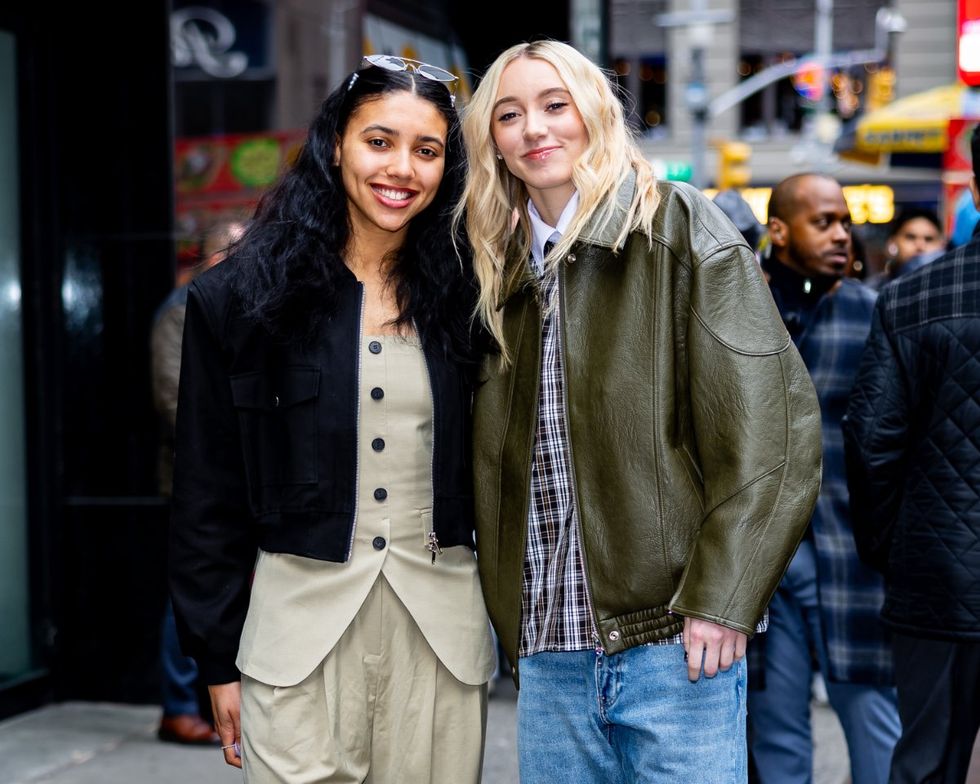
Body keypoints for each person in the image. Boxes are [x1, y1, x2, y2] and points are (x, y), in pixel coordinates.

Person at [453, 39, 822, 782]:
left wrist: (723, 598)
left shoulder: (678, 228)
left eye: (555, 106)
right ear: (489, 139)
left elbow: (775, 430)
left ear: (594, 113)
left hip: (674, 641)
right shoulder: (494, 270)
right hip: (547, 648)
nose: (535, 128)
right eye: (510, 114)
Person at [169, 57, 495, 783]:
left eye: (427, 150)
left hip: (440, 638)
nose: (401, 168)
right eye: (379, 141)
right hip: (293, 640)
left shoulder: (476, 296)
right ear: (335, 144)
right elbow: (205, 492)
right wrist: (216, 658)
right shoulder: (240, 298)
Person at [749, 172, 901, 784]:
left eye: (845, 222)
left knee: (874, 723)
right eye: (824, 222)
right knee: (773, 728)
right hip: (763, 559)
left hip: (852, 552)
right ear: (779, 231)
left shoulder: (876, 310)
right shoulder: (738, 307)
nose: (844, 235)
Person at [842, 124, 980, 784]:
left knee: (926, 763)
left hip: (937, 581)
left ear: (975, 189)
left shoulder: (910, 297)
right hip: (933, 574)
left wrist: (892, 550)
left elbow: (871, 444)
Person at [151, 217, 245, 746]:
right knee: (188, 593)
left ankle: (213, 702)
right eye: (229, 253)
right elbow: (173, 399)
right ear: (205, 258)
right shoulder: (179, 311)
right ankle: (177, 704)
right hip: (192, 481)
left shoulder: (240, 307)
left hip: (236, 481)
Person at [868, 206, 945, 289]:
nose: (920, 246)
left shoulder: (951, 289)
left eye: (929, 239)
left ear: (942, 245)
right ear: (892, 242)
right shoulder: (873, 289)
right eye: (910, 237)